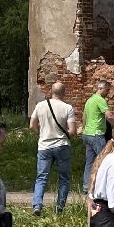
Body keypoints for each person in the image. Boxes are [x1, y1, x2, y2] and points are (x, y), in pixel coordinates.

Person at [30, 81, 77, 217]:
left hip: (44, 146)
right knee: (64, 178)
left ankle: (37, 205)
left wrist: (41, 134)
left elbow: (32, 125)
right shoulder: (67, 108)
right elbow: (72, 131)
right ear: (64, 93)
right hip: (62, 145)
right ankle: (59, 208)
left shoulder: (40, 105)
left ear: (51, 91)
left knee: (41, 177)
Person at [80, 78, 114, 192]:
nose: (108, 92)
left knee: (90, 162)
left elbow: (84, 116)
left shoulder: (90, 100)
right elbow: (109, 116)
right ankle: (101, 187)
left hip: (87, 133)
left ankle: (86, 186)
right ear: (101, 88)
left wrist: (84, 128)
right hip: (96, 134)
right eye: (107, 90)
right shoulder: (100, 100)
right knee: (103, 160)